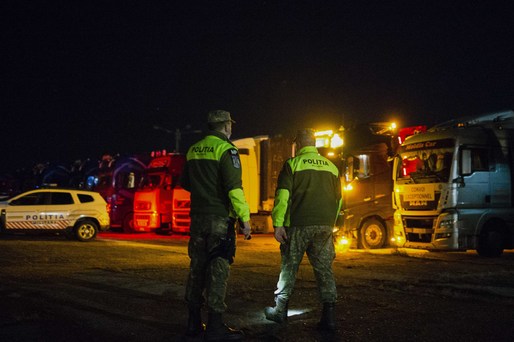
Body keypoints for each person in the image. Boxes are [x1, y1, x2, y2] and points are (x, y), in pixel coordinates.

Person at [181, 109, 252, 341]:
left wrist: (204, 193)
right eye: (230, 125)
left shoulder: (193, 150)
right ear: (225, 126)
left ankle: (193, 322)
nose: (231, 128)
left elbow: (186, 183)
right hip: (220, 218)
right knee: (218, 270)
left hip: (198, 217)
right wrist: (245, 218)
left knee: (197, 268)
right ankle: (215, 327)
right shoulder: (226, 149)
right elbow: (234, 188)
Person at [264, 128, 342, 331]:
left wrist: (278, 224)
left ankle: (280, 311)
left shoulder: (292, 164)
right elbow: (339, 200)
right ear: (314, 144)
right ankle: (329, 317)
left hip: (298, 225)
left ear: (297, 145)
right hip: (324, 226)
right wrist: (330, 223)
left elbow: (282, 196)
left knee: (289, 267)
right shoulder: (332, 168)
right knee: (325, 270)